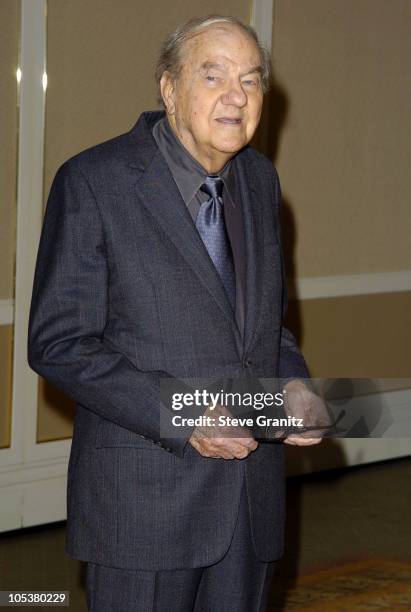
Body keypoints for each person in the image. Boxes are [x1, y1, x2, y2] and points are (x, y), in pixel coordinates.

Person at [28, 14, 321, 612]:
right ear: (168, 87)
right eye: (213, 76)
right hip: (145, 504)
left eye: (251, 79)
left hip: (249, 503)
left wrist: (292, 382)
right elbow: (60, 343)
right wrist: (184, 413)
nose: (236, 96)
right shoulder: (94, 182)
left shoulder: (261, 182)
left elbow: (268, 326)